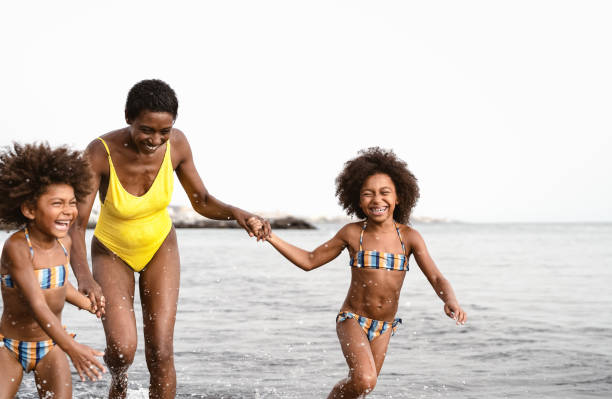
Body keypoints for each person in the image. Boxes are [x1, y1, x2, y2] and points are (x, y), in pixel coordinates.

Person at [68, 79, 270, 399]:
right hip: (112, 251)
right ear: (128, 117)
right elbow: (76, 224)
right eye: (147, 129)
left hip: (160, 245)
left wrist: (237, 213)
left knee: (160, 350)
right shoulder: (98, 152)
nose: (156, 139)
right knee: (122, 350)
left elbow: (201, 200)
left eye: (165, 130)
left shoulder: (177, 145)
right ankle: (118, 383)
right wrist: (83, 278)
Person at [259, 147, 467, 398]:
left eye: (384, 193)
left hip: (385, 326)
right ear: (358, 200)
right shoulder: (352, 233)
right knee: (365, 379)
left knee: (360, 387)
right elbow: (309, 260)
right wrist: (271, 237)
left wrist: (450, 300)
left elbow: (436, 277)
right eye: (368, 194)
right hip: (353, 320)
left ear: (399, 197)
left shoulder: (409, 238)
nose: (377, 200)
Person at [0, 142, 106, 399]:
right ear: (30, 210)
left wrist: (87, 304)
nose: (68, 211)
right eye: (57, 203)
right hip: (9, 348)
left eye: (72, 203)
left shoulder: (65, 242)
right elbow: (37, 304)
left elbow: (59, 285)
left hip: (50, 345)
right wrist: (73, 347)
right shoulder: (17, 247)